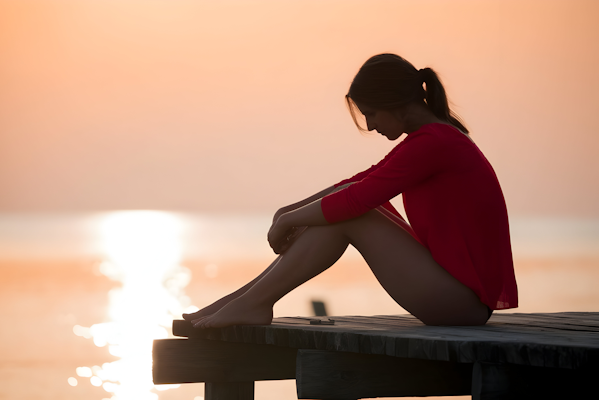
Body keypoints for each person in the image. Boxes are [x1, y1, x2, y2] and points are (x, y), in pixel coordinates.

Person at [184, 53, 518, 328]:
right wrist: (287, 212)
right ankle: (242, 303)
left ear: (394, 102)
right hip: (453, 295)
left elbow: (356, 199)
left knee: (353, 215)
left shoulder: (434, 143)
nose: (370, 126)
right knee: (348, 209)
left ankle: (252, 304)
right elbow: (359, 182)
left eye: (371, 114)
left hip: (461, 304)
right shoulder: (429, 140)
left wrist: (288, 222)